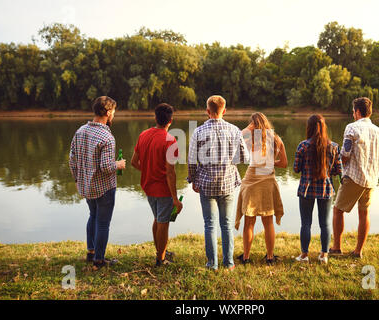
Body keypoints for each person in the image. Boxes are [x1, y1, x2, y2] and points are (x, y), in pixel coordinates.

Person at [187, 95, 249, 271]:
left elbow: (192, 160)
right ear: (225, 110)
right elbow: (245, 158)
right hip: (228, 183)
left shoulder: (198, 132)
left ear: (207, 111)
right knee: (227, 224)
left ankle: (212, 264)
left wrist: (193, 179)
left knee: (210, 224)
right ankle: (228, 264)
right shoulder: (235, 130)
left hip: (206, 184)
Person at [329, 97, 379, 259]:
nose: (353, 114)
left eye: (353, 111)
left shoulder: (352, 128)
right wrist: (376, 171)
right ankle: (358, 251)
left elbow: (345, 155)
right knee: (364, 213)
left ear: (357, 112)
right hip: (371, 180)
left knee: (337, 210)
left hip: (353, 177)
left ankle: (336, 247)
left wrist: (334, 166)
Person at [69, 96, 126, 270]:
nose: (114, 115)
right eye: (113, 112)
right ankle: (99, 261)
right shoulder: (107, 137)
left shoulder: (80, 131)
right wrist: (119, 164)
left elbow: (72, 160)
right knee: (102, 223)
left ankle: (91, 252)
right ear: (108, 112)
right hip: (104, 189)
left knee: (92, 217)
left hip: (87, 186)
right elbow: (106, 166)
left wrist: (78, 179)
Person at [131, 103, 182, 267]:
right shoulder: (170, 140)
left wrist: (148, 171)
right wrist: (175, 198)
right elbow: (170, 172)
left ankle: (160, 251)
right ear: (170, 121)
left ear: (155, 117)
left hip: (148, 187)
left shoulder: (143, 135)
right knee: (163, 223)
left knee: (158, 219)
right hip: (163, 189)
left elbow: (134, 162)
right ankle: (161, 259)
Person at [235, 112, 287, 265]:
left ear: (253, 125)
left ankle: (246, 257)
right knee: (268, 221)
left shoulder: (249, 138)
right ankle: (270, 257)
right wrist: (269, 162)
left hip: (251, 180)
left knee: (249, 222)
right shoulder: (276, 139)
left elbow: (235, 137)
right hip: (268, 181)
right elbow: (284, 164)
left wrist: (247, 128)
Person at [293, 114, 342, 264]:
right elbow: (338, 170)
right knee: (325, 224)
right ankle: (324, 255)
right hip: (326, 190)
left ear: (309, 127)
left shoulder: (303, 146)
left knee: (305, 223)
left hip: (306, 189)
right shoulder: (334, 147)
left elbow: (296, 169)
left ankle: (304, 255)